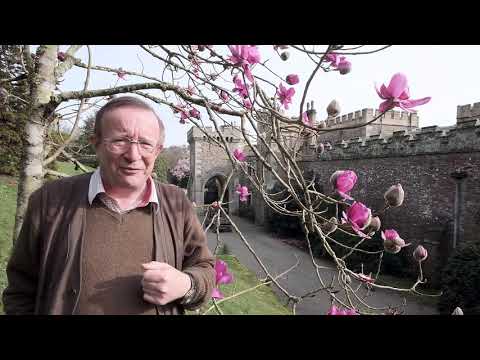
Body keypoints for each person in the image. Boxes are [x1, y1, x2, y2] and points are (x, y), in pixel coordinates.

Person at [2, 96, 216, 315]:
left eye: (145, 143)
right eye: (120, 141)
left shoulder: (176, 203)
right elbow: (20, 290)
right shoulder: (50, 200)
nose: (133, 155)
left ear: (157, 150)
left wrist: (186, 285)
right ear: (96, 143)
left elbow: (206, 269)